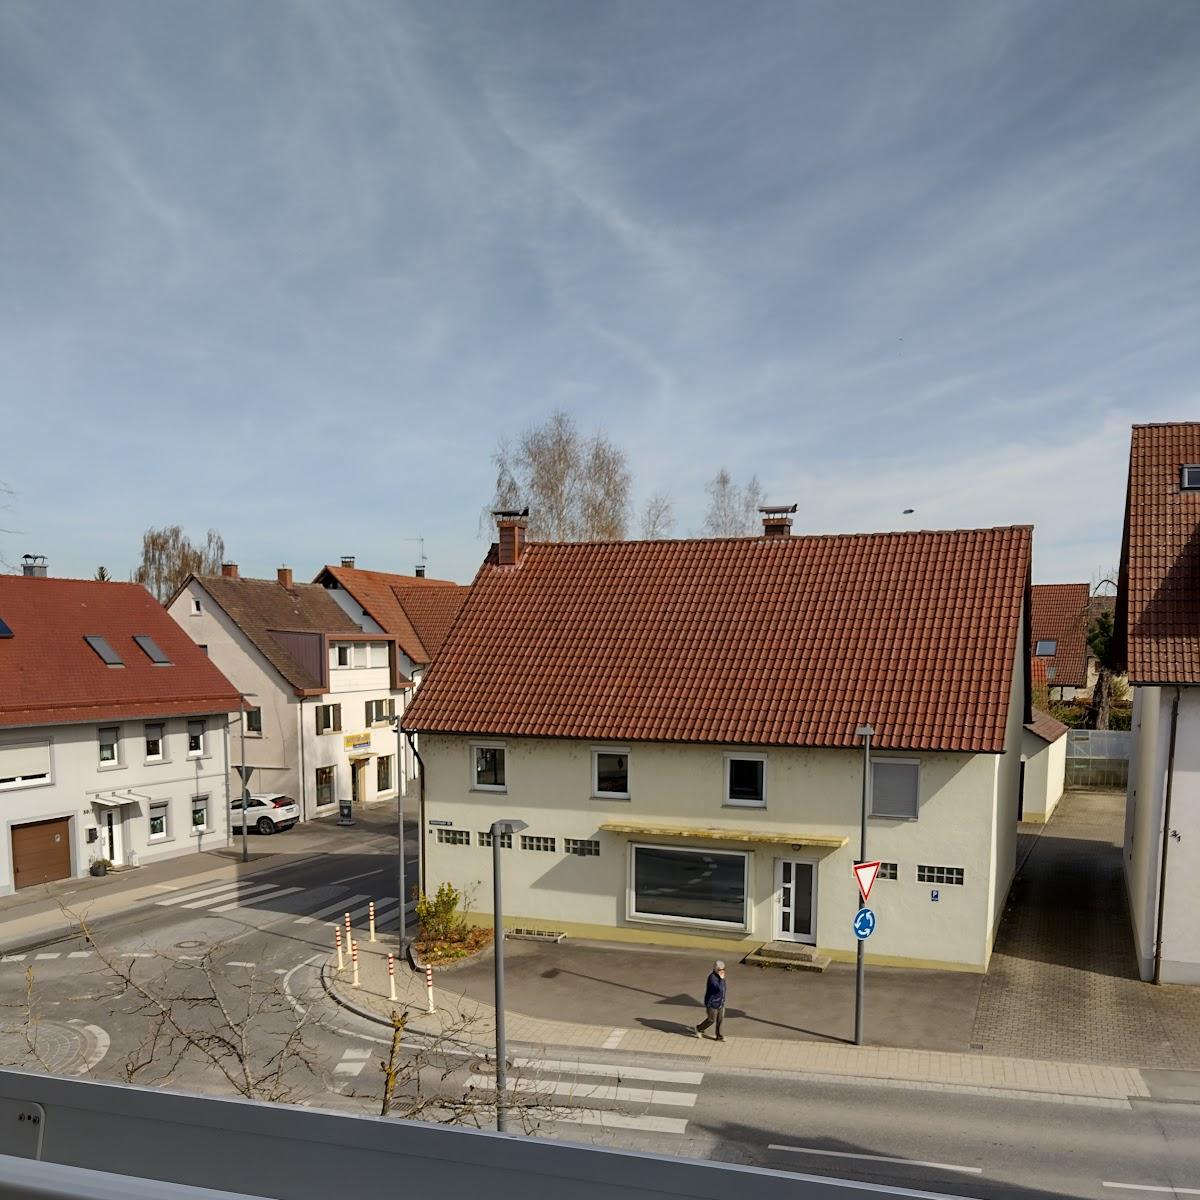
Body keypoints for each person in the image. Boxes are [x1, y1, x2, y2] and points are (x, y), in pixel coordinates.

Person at [695, 960, 726, 1040]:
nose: (722, 971)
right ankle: (699, 1028)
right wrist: (721, 979)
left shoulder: (720, 977)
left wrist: (723, 999)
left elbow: (723, 989)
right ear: (716, 969)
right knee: (711, 1020)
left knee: (720, 1020)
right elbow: (718, 988)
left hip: (721, 1002)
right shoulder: (712, 978)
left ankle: (719, 1036)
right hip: (712, 1003)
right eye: (720, 970)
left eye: (723, 969)